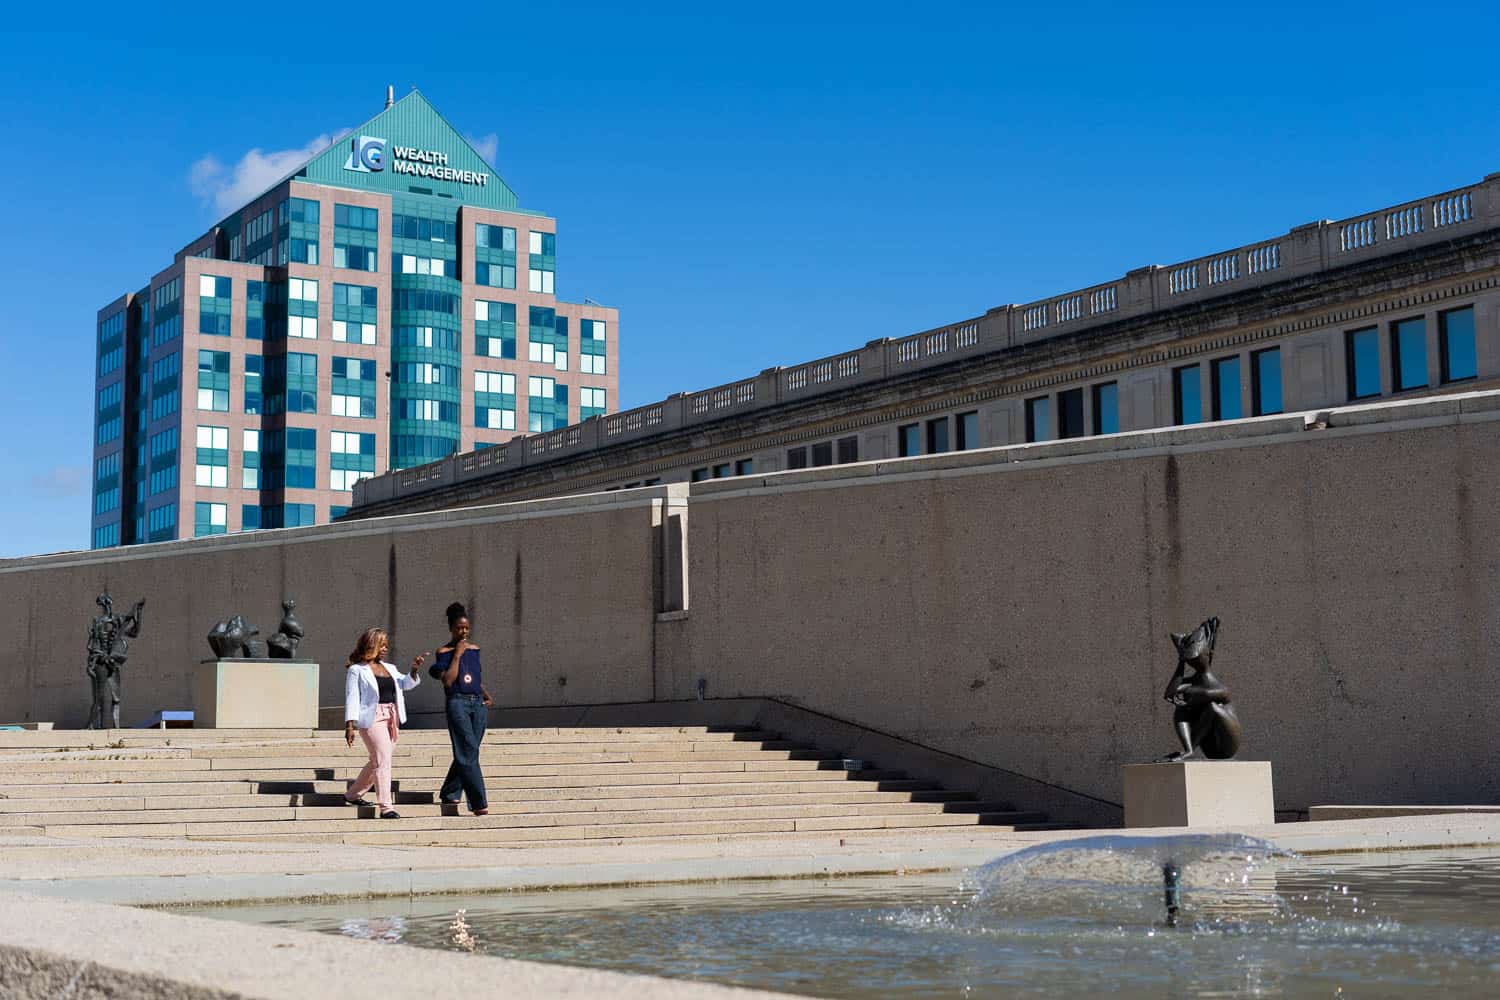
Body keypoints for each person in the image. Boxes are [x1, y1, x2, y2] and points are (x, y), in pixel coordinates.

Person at [343, 627, 422, 818]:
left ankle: (353, 795)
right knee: (383, 760)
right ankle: (386, 807)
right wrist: (350, 725)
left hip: (392, 717)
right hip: (372, 718)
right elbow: (352, 697)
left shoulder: (391, 668)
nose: (386, 648)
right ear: (372, 645)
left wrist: (413, 670)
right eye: (382, 644)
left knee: (377, 760)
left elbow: (405, 684)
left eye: (387, 645)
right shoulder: (357, 670)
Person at [428, 602, 491, 815]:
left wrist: (485, 695)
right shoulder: (444, 652)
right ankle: (479, 802)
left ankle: (450, 791)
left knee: (468, 750)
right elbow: (448, 680)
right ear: (451, 629)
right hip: (457, 702)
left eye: (466, 628)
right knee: (467, 750)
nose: (463, 632)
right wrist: (457, 654)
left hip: (477, 704)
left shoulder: (475, 650)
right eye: (459, 628)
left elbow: (475, 677)